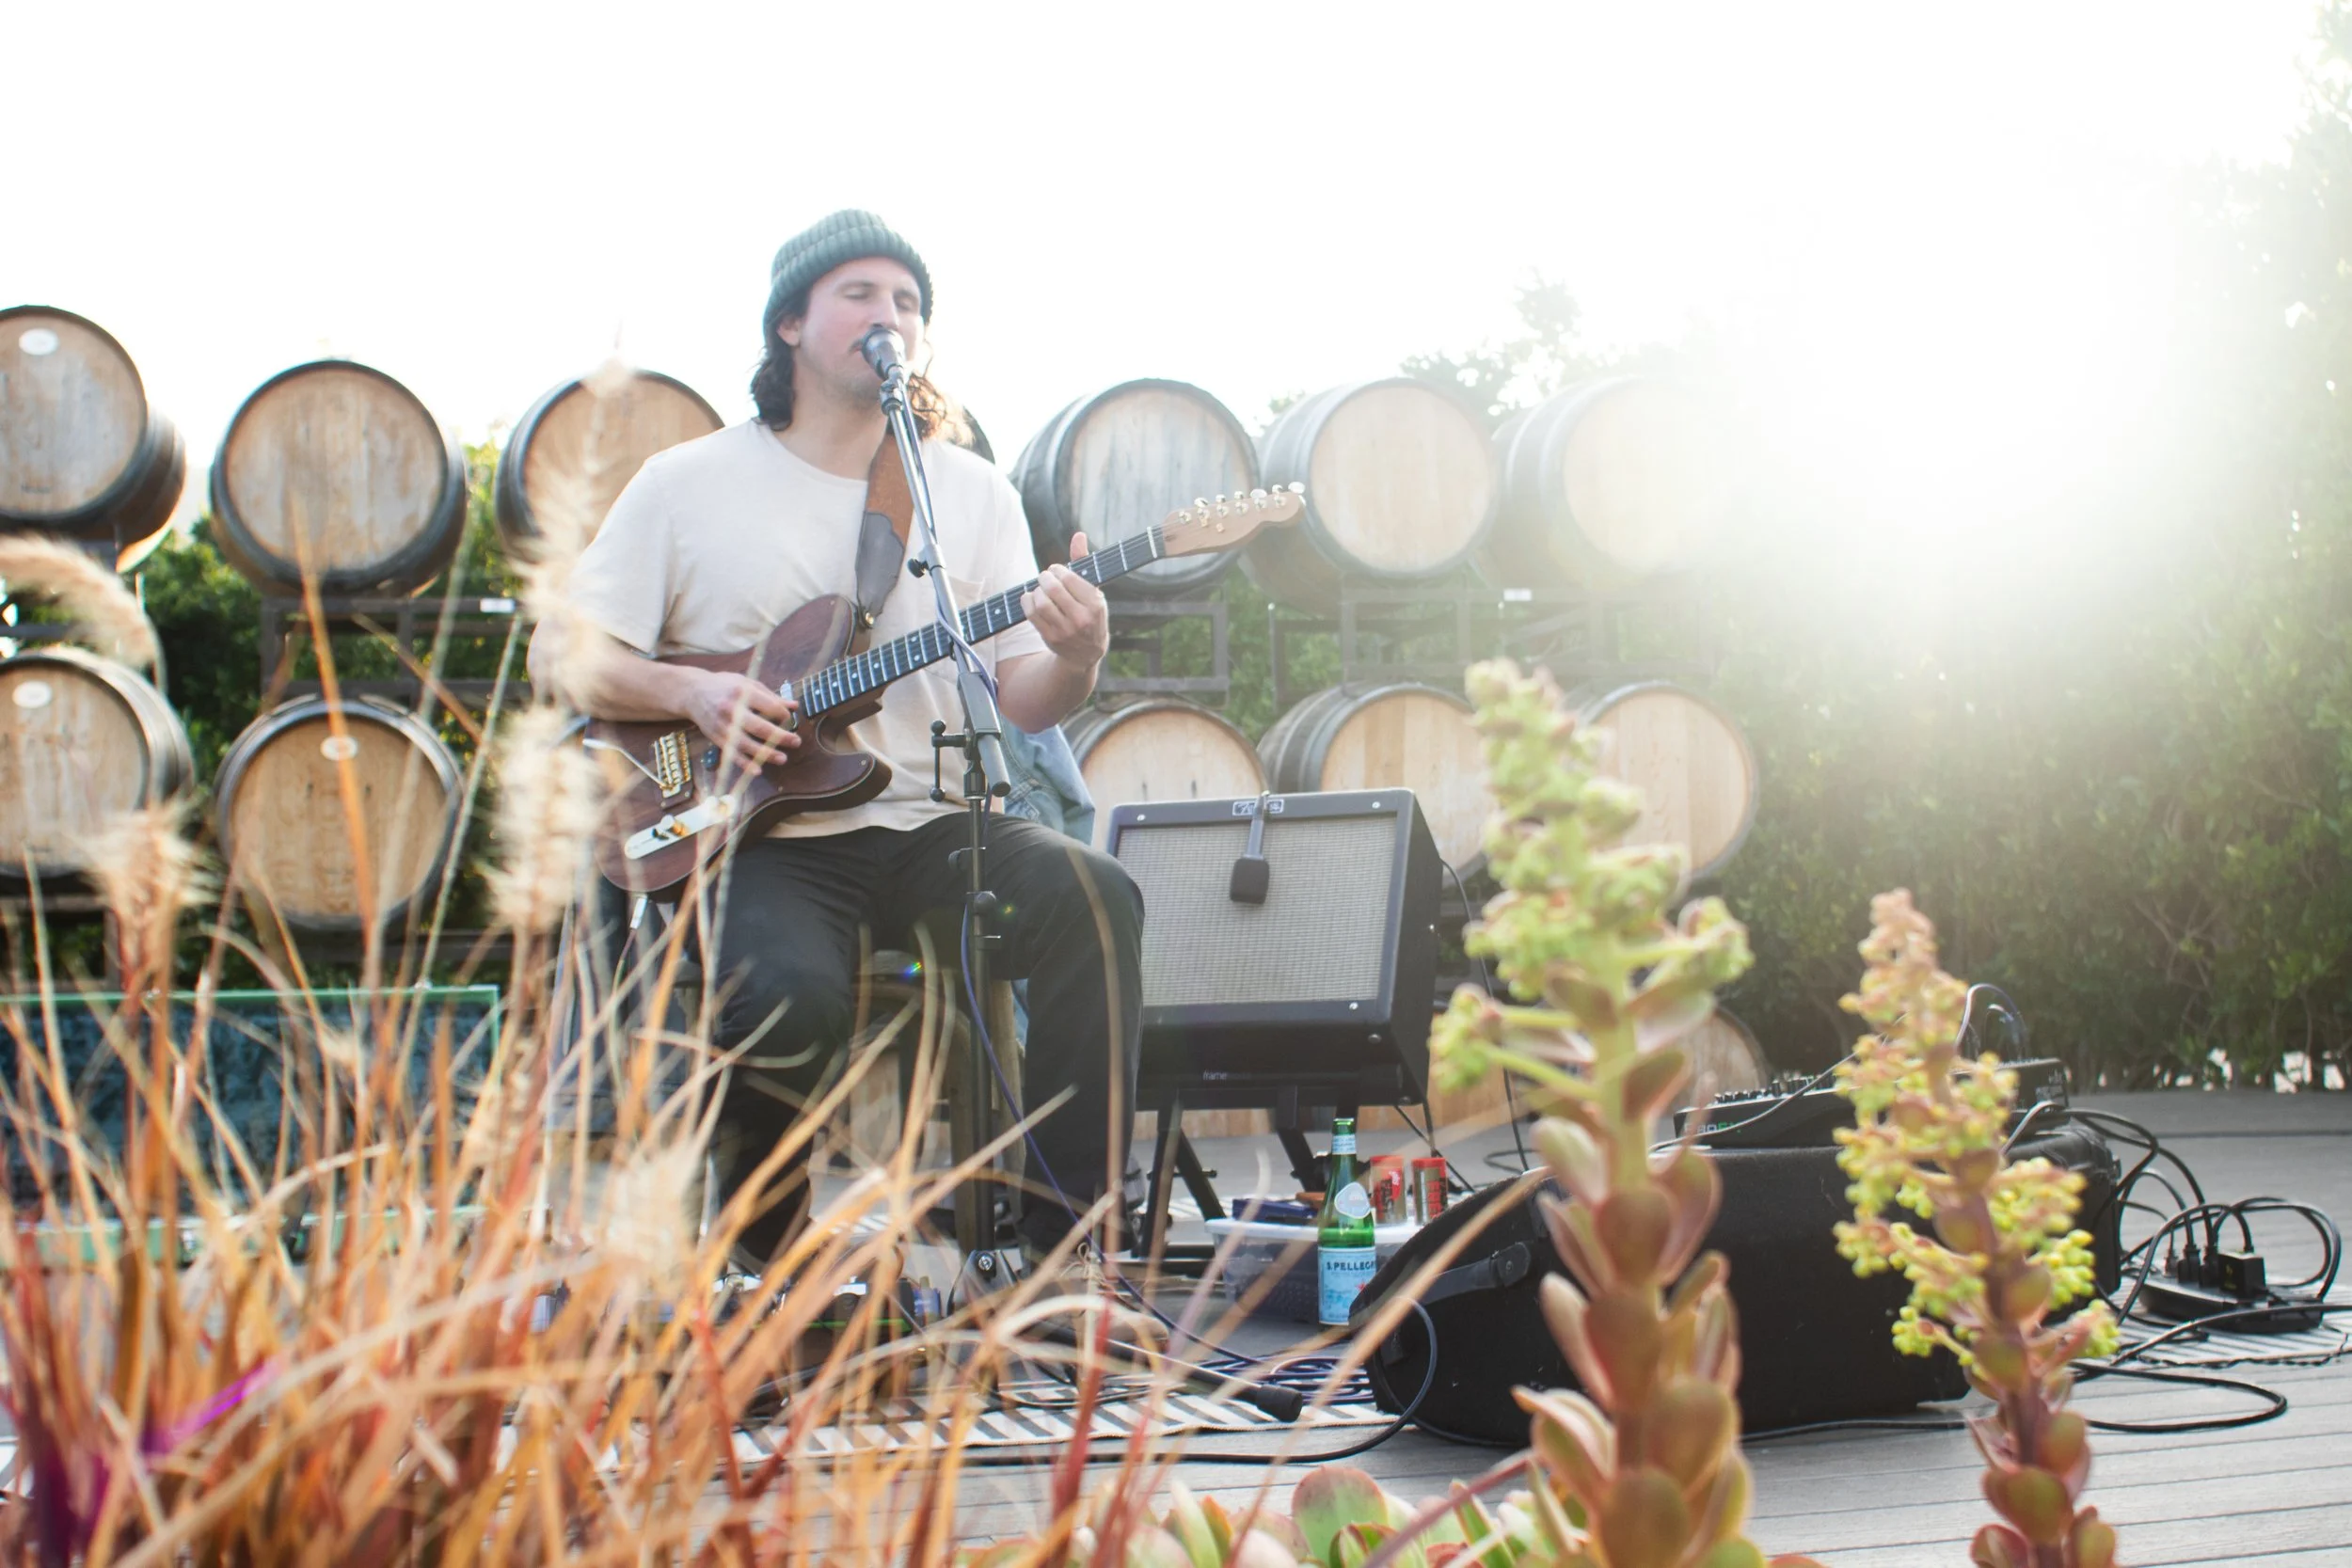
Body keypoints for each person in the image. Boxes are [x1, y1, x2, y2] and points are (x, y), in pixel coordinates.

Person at [528, 209, 1142, 1267]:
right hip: (760, 837)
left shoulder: (967, 494)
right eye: (860, 293)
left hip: (928, 824)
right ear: (788, 326)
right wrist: (693, 693)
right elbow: (561, 654)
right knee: (786, 990)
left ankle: (1057, 1258)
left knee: (1096, 897)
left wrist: (1077, 654)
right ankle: (761, 1263)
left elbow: (1023, 702)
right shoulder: (687, 484)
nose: (888, 314)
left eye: (907, 301)